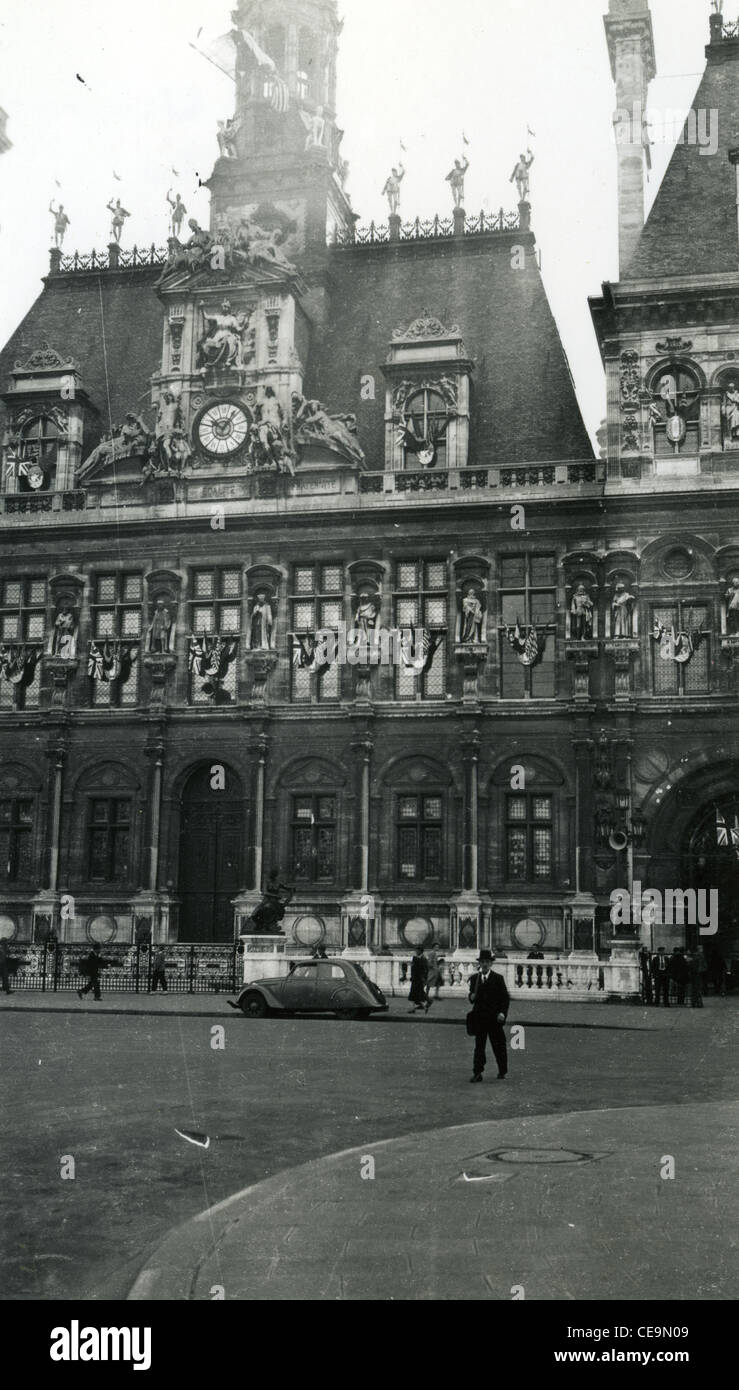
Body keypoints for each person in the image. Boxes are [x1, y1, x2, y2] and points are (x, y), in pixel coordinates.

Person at [468, 949, 509, 1081]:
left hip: (494, 1018)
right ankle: (477, 1073)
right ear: (479, 963)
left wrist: (502, 1013)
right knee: (479, 1047)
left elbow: (505, 998)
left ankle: (502, 1070)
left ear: (491, 964)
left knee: (499, 1046)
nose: (485, 964)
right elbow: (471, 997)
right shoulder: (475, 979)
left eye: (487, 962)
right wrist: (471, 996)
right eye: (482, 962)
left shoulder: (498, 978)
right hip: (480, 1018)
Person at [408, 945, 428, 1013]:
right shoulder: (421, 959)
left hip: (417, 980)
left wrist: (423, 979)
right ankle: (423, 1006)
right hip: (417, 979)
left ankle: (413, 1009)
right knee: (417, 995)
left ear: (420, 951)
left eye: (417, 950)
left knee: (413, 995)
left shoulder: (419, 959)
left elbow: (424, 970)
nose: (416, 952)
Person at [424, 944, 443, 1011]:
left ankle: (430, 995)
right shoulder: (432, 953)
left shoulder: (434, 953)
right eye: (436, 947)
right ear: (433, 947)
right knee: (428, 983)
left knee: (433, 983)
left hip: (434, 971)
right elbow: (429, 962)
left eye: (438, 947)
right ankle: (426, 996)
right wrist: (433, 967)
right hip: (432, 971)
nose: (438, 948)